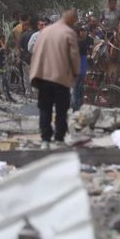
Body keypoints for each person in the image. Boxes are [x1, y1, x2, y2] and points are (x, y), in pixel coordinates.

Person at [30, 9, 80, 150]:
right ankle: (59, 137)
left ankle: (45, 139)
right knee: (61, 109)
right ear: (71, 20)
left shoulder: (45, 31)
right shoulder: (69, 33)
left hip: (44, 76)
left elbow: (36, 52)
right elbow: (74, 57)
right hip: (61, 78)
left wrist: (35, 73)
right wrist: (75, 73)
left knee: (45, 108)